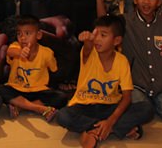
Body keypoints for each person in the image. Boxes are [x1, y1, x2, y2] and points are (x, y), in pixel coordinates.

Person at [56, 15, 154, 148]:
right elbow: (88, 48)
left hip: (110, 106)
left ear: (116, 40)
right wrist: (87, 40)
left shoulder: (122, 61)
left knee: (147, 108)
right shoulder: (89, 53)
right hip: (84, 106)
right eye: (96, 34)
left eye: (103, 35)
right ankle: (115, 129)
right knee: (63, 116)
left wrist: (110, 122)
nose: (97, 39)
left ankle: (96, 130)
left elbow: (126, 98)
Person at [97, 0, 162, 123]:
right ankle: (145, 103)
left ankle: (153, 102)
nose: (146, 2)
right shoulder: (126, 21)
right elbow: (104, 23)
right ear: (135, 0)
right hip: (136, 84)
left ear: (159, 1)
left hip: (161, 85)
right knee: (143, 111)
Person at [0, 15, 68, 121]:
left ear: (38, 35)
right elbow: (9, 51)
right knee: (0, 90)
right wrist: (20, 52)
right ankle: (38, 108)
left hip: (38, 91)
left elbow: (54, 69)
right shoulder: (15, 46)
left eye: (27, 33)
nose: (23, 37)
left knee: (61, 98)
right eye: (19, 34)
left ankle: (20, 107)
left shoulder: (47, 52)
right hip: (17, 89)